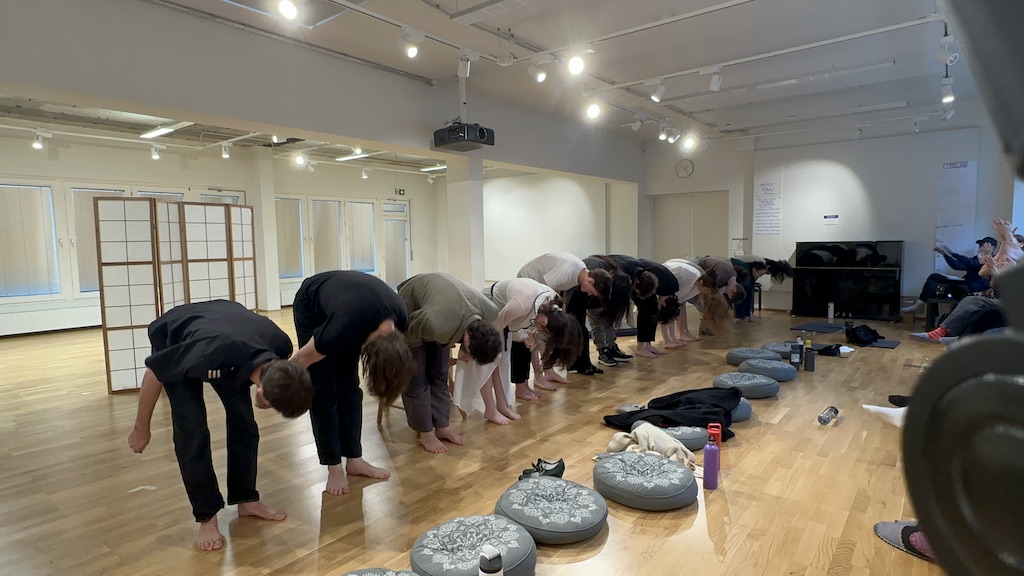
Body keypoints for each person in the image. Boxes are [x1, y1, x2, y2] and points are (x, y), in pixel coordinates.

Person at [127, 299, 313, 551]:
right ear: (261, 388)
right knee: (192, 430)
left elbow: (259, 375)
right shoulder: (206, 352)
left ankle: (246, 499)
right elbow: (153, 373)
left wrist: (262, 396)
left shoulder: (280, 345)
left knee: (244, 423)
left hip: (227, 338)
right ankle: (207, 518)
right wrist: (142, 428)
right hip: (178, 336)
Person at [291, 271, 416, 495]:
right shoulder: (339, 328)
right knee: (324, 390)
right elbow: (301, 359)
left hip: (352, 304)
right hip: (312, 304)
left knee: (349, 388)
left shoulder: (402, 318)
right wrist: (268, 388)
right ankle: (334, 468)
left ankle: (355, 460)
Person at [398, 272, 504, 450]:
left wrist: (468, 353)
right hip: (409, 312)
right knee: (417, 379)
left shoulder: (491, 311)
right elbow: (408, 330)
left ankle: (442, 427)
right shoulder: (436, 324)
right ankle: (426, 433)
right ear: (468, 340)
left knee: (439, 375)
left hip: (443, 309)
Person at [516, 252, 612, 382]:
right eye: (592, 291)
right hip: (527, 282)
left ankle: (547, 371)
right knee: (537, 332)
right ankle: (539, 376)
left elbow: (555, 291)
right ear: (591, 281)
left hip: (538, 288)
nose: (589, 294)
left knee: (545, 331)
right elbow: (541, 292)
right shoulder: (567, 271)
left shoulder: (578, 272)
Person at [486, 277, 584, 402]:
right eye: (542, 331)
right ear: (544, 322)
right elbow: (493, 329)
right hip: (490, 305)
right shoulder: (520, 305)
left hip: (509, 308)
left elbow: (527, 328)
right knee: (494, 358)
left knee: (520, 348)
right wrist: (472, 350)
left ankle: (515, 392)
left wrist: (527, 335)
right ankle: (498, 404)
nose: (539, 332)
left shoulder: (553, 305)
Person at [588, 254, 659, 367]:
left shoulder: (632, 269)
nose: (633, 291)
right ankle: (603, 351)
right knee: (597, 321)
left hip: (603, 287)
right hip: (595, 287)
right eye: (635, 290)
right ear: (637, 283)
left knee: (608, 319)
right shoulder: (625, 273)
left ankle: (612, 347)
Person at [900, 236, 996, 314]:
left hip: (973, 287)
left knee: (940, 288)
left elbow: (972, 263)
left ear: (991, 247)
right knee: (934, 277)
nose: (980, 247)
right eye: (980, 245)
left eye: (982, 245)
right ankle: (920, 303)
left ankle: (937, 317)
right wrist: (944, 254)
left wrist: (952, 253)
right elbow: (957, 266)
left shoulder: (993, 259)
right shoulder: (977, 257)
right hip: (965, 282)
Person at [661, 259, 727, 345]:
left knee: (674, 309)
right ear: (702, 283)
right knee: (667, 310)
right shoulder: (687, 277)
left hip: (672, 279)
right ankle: (668, 340)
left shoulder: (697, 283)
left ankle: (674, 337)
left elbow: (680, 299)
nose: (705, 293)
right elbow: (670, 286)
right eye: (706, 290)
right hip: (666, 279)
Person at [633, 258, 680, 358]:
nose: (659, 305)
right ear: (663, 304)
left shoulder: (672, 287)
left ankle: (648, 345)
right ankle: (640, 348)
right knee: (644, 311)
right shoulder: (666, 287)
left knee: (652, 310)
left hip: (644, 275)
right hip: (636, 278)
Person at [730, 256, 793, 321]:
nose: (761, 276)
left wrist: (748, 314)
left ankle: (744, 315)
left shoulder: (762, 265)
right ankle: (740, 315)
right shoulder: (760, 263)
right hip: (735, 266)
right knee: (745, 290)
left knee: (748, 291)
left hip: (740, 269)